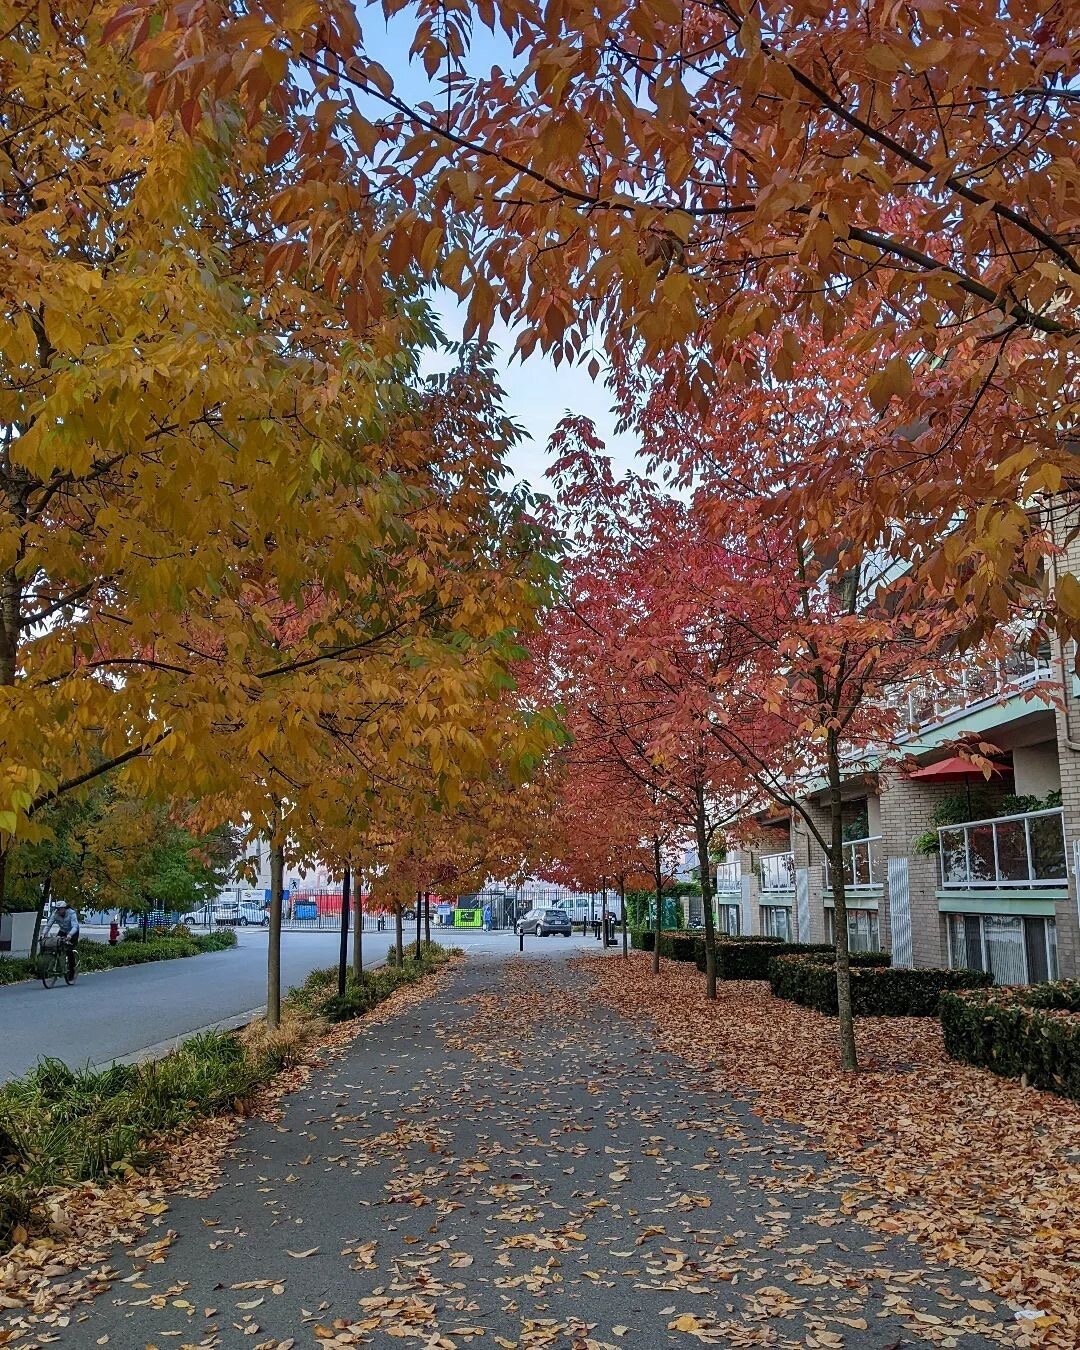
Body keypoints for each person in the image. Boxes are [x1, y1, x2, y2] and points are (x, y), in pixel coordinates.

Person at [44, 901, 80, 981]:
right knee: (56, 944)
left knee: (69, 950)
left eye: (60, 909)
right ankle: (57, 967)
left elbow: (75, 926)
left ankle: (72, 970)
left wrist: (70, 935)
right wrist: (43, 934)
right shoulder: (55, 914)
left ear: (65, 908)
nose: (59, 911)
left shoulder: (71, 913)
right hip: (63, 931)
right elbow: (49, 925)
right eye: (58, 909)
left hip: (73, 932)